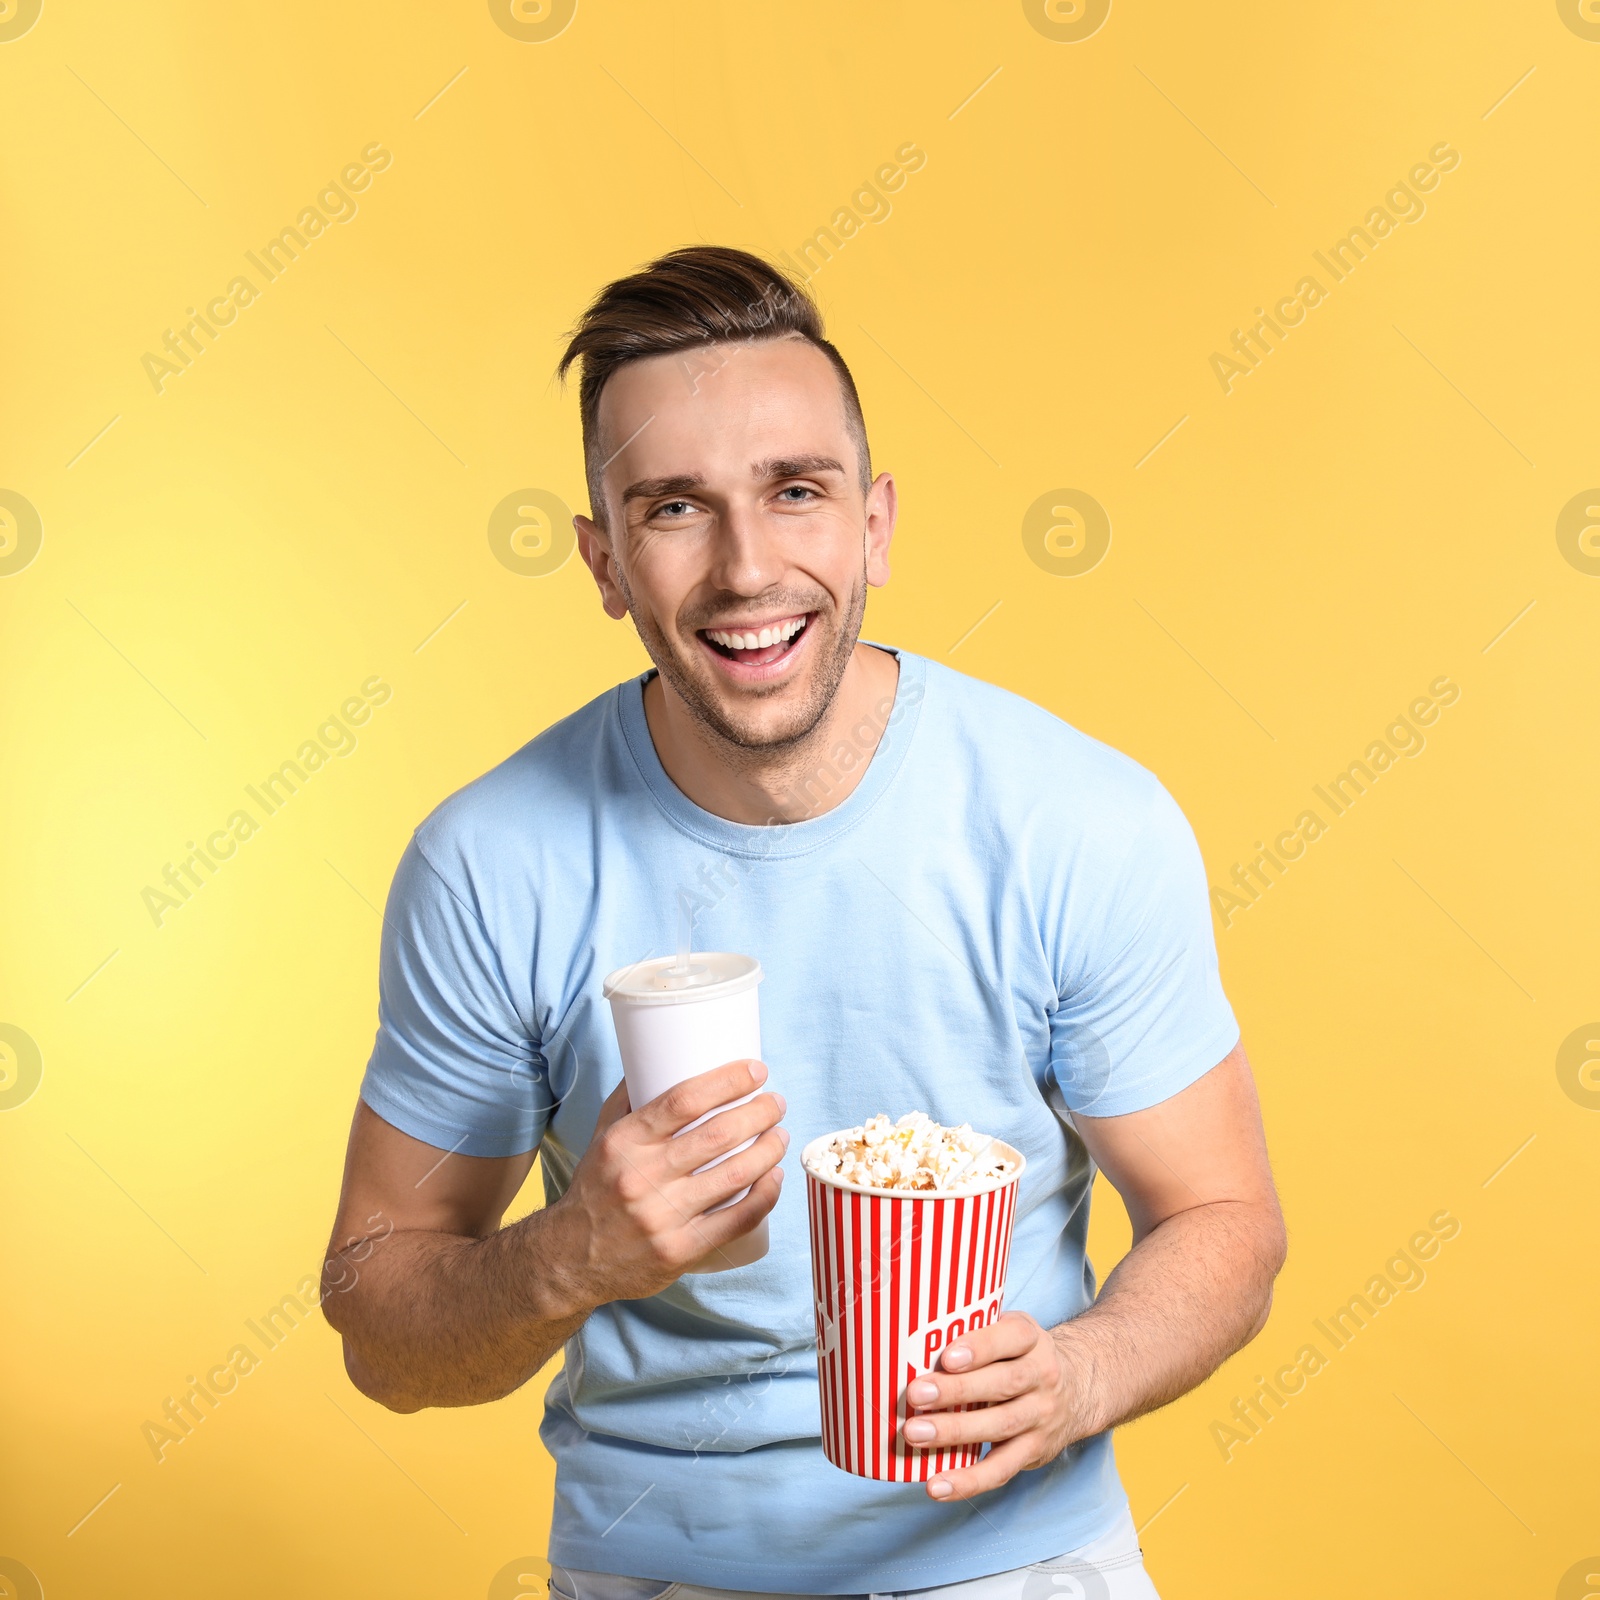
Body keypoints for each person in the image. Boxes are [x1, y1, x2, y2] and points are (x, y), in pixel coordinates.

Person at [321, 246, 1286, 1600]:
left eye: (796, 492)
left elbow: (1225, 1216)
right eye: (673, 509)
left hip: (1018, 1560)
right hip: (656, 1571)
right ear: (604, 561)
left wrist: (1079, 1376)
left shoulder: (1078, 821)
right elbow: (382, 1322)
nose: (747, 566)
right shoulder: (490, 865)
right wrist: (566, 1257)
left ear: (875, 523)